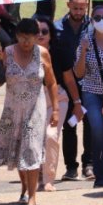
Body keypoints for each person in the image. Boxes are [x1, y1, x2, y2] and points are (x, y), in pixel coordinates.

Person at [0, 19, 59, 205]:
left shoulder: (43, 54)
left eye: (30, 38)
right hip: (12, 110)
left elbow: (52, 82)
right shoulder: (8, 52)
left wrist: (55, 109)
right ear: (16, 36)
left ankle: (32, 197)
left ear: (36, 37)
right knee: (17, 151)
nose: (26, 42)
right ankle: (24, 187)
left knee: (30, 149)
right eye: (22, 38)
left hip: (35, 109)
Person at [74, 5, 103, 188]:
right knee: (98, 131)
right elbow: (79, 73)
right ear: (92, 20)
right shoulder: (86, 40)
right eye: (97, 17)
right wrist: (84, 51)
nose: (101, 20)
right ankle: (101, 177)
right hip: (92, 92)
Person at [36, 16, 79, 192]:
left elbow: (69, 80)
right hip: (34, 98)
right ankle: (37, 173)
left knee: (51, 135)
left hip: (58, 97)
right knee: (35, 138)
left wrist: (77, 102)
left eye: (44, 31)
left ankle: (48, 179)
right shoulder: (23, 52)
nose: (40, 35)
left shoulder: (59, 52)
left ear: (51, 34)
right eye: (36, 31)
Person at [54, 0, 93, 181]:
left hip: (89, 83)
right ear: (69, 5)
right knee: (69, 126)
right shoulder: (57, 28)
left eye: (82, 7)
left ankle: (89, 164)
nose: (78, 11)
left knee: (90, 124)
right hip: (65, 84)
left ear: (86, 6)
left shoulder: (92, 26)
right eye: (75, 7)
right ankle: (71, 167)